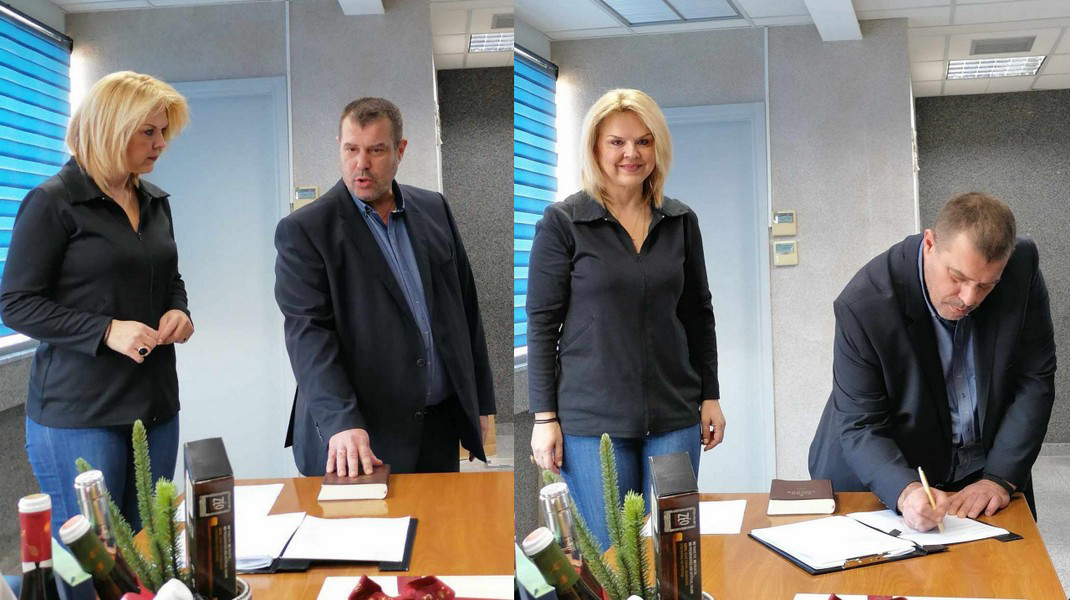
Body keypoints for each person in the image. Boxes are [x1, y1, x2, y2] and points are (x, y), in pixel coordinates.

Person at [527, 89, 725, 551]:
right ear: (595, 148)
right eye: (616, 142)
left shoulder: (680, 221)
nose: (630, 153)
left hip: (674, 416)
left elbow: (698, 314)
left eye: (643, 141)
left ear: (658, 148)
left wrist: (710, 395)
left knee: (674, 552)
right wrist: (544, 418)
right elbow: (541, 324)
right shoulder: (563, 223)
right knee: (614, 556)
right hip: (591, 426)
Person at [0, 71, 193, 535]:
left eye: (163, 131)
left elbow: (170, 278)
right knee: (98, 560)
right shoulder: (52, 202)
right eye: (148, 131)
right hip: (81, 415)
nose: (160, 143)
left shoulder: (155, 202)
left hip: (155, 407)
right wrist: (106, 330)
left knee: (152, 552)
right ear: (111, 127)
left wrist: (179, 310)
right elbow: (15, 303)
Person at [809, 192, 1056, 532]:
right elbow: (861, 424)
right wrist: (904, 490)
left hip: (985, 470)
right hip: (887, 470)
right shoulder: (865, 303)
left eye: (986, 286)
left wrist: (999, 478)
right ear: (929, 243)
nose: (969, 298)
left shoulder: (1021, 266)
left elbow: (1034, 379)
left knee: (1007, 565)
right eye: (957, 277)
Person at [275, 97, 495, 476]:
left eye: (376, 150)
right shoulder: (305, 231)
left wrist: (478, 400)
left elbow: (465, 309)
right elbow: (308, 336)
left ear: (400, 150)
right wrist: (341, 422)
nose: (361, 164)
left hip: (437, 428)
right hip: (359, 439)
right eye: (351, 150)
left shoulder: (434, 209)